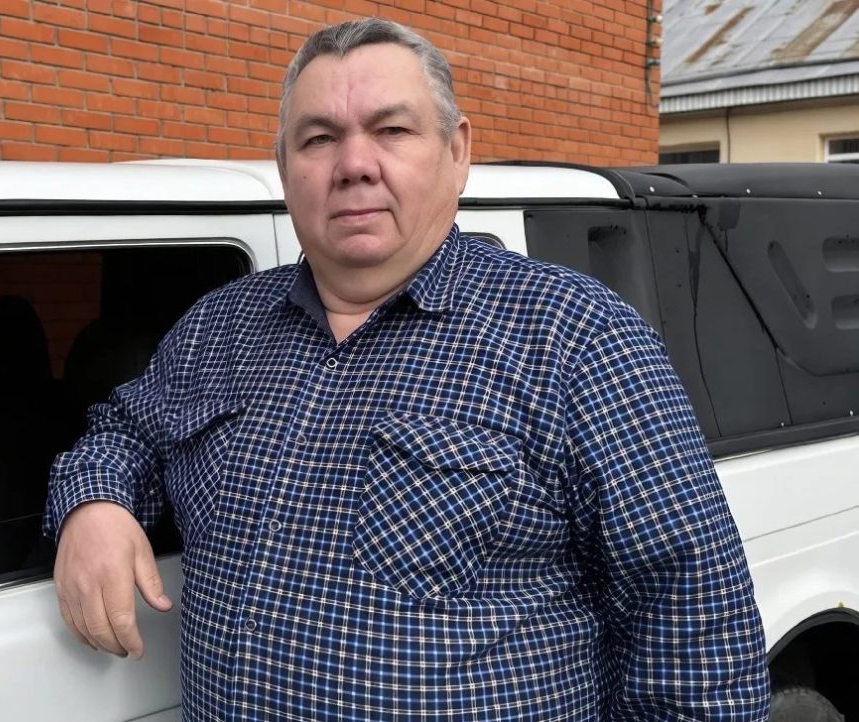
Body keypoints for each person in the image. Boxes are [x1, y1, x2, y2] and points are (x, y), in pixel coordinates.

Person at [43, 17, 770, 720]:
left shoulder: (575, 337)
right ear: (285, 167)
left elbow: (696, 639)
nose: (354, 164)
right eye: (319, 138)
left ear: (457, 151)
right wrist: (94, 505)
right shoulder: (220, 328)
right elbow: (127, 431)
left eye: (391, 130)